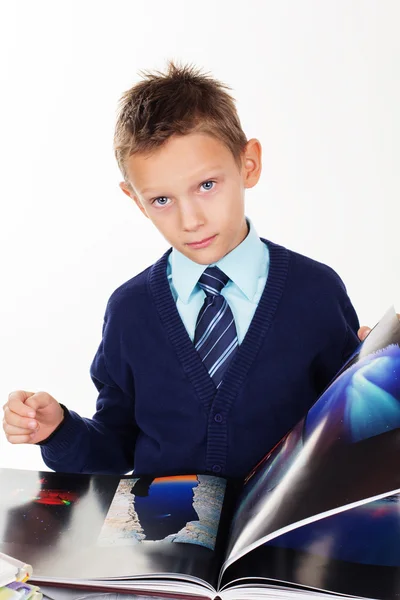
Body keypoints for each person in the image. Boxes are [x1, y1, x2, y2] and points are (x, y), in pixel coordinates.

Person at [1, 62, 378, 479]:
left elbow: (356, 427)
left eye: (206, 185)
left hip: (285, 538)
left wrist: (385, 371)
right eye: (162, 200)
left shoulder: (315, 291)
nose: (191, 220)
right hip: (160, 537)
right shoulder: (131, 310)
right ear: (135, 199)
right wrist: (58, 431)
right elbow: (116, 445)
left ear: (248, 164)